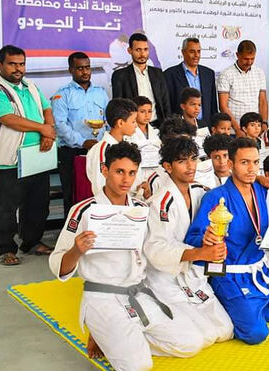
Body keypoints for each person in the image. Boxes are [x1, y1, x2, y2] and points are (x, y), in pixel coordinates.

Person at [50, 141, 205, 370]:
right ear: (105, 170)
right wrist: (77, 250)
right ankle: (106, 332)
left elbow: (155, 249)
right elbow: (58, 264)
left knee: (191, 343)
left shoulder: (141, 208)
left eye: (132, 173)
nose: (126, 180)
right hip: (103, 298)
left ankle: (113, 338)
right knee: (138, 366)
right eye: (119, 172)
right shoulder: (83, 211)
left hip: (138, 293)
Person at [185, 137, 269, 344]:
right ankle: (244, 308)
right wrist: (205, 239)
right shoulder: (216, 197)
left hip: (261, 272)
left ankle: (254, 307)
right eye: (244, 162)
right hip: (230, 277)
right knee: (256, 334)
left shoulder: (262, 190)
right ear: (231, 164)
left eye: (255, 162)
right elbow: (192, 238)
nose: (251, 169)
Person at [144, 137, 234, 348]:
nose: (190, 166)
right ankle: (135, 335)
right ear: (168, 167)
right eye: (182, 161)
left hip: (193, 276)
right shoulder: (160, 203)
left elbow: (227, 195)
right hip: (165, 278)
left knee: (225, 331)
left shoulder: (200, 191)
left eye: (193, 159)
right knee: (197, 341)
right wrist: (200, 253)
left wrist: (259, 180)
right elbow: (156, 250)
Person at [0, 45, 57, 265]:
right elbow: (7, 118)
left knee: (38, 203)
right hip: (11, 159)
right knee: (7, 207)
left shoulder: (31, 86)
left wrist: (49, 131)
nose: (18, 68)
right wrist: (43, 129)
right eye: (12, 64)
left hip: (38, 155)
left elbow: (47, 108)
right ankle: (5, 248)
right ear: (0, 65)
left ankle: (32, 242)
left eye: (21, 64)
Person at [52, 51, 109, 217]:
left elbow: (108, 120)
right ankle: (71, 230)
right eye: (80, 68)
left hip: (98, 152)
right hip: (72, 153)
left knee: (99, 192)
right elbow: (59, 125)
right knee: (72, 196)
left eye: (87, 67)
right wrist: (83, 141)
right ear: (71, 70)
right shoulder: (62, 94)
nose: (85, 72)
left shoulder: (100, 92)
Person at [111, 33, 171, 126]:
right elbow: (118, 107)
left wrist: (168, 127)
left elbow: (165, 103)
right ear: (129, 50)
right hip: (132, 127)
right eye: (138, 50)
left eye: (145, 49)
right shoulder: (120, 76)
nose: (142, 54)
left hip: (157, 126)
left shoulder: (158, 74)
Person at [86, 99, 138, 196]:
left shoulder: (128, 145)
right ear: (120, 123)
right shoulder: (103, 150)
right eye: (133, 121)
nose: (136, 125)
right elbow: (100, 185)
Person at [217, 40, 267, 135]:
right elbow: (223, 106)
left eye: (252, 59)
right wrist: (238, 129)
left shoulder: (259, 73)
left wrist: (264, 123)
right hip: (234, 131)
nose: (249, 62)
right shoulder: (226, 74)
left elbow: (263, 101)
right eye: (246, 59)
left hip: (255, 131)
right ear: (237, 55)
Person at [164, 37, 218, 122]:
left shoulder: (208, 74)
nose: (196, 55)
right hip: (181, 125)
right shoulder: (170, 74)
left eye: (198, 51)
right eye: (192, 51)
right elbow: (168, 106)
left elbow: (213, 105)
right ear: (183, 52)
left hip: (205, 125)